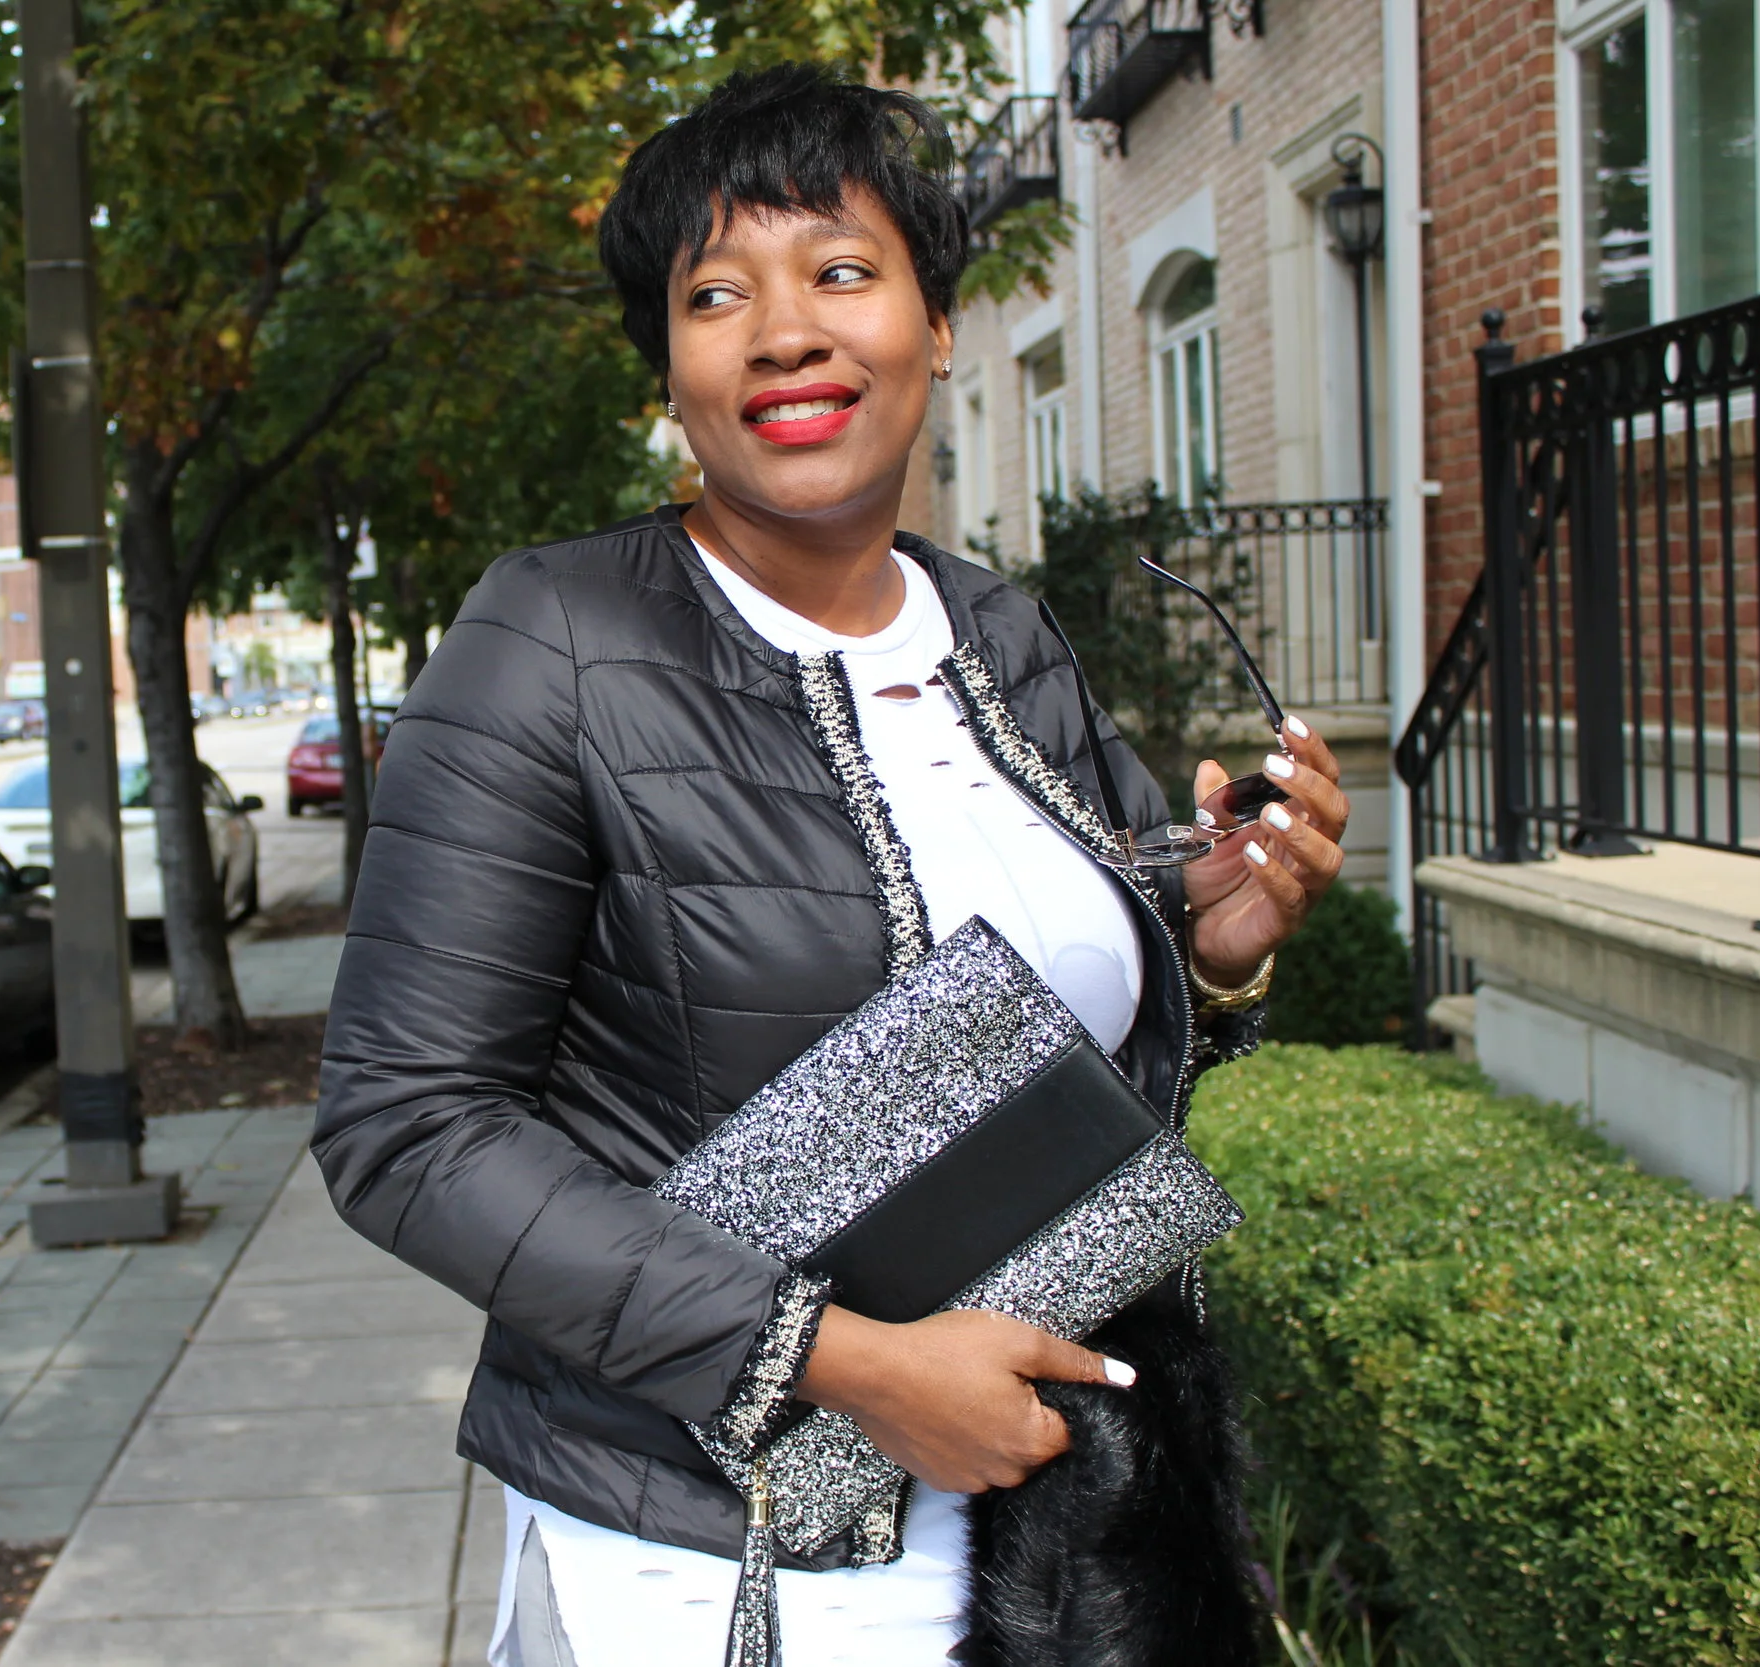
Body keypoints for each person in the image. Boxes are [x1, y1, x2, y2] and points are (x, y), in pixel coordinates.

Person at [315, 64, 1348, 1667]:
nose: (785, 332)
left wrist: (1215, 947)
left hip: (1055, 1535)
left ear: (938, 323)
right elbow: (405, 1125)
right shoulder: (555, 640)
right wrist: (846, 1362)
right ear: (670, 366)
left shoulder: (1000, 632)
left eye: (843, 271)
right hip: (710, 1551)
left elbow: (1084, 1046)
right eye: (716, 294)